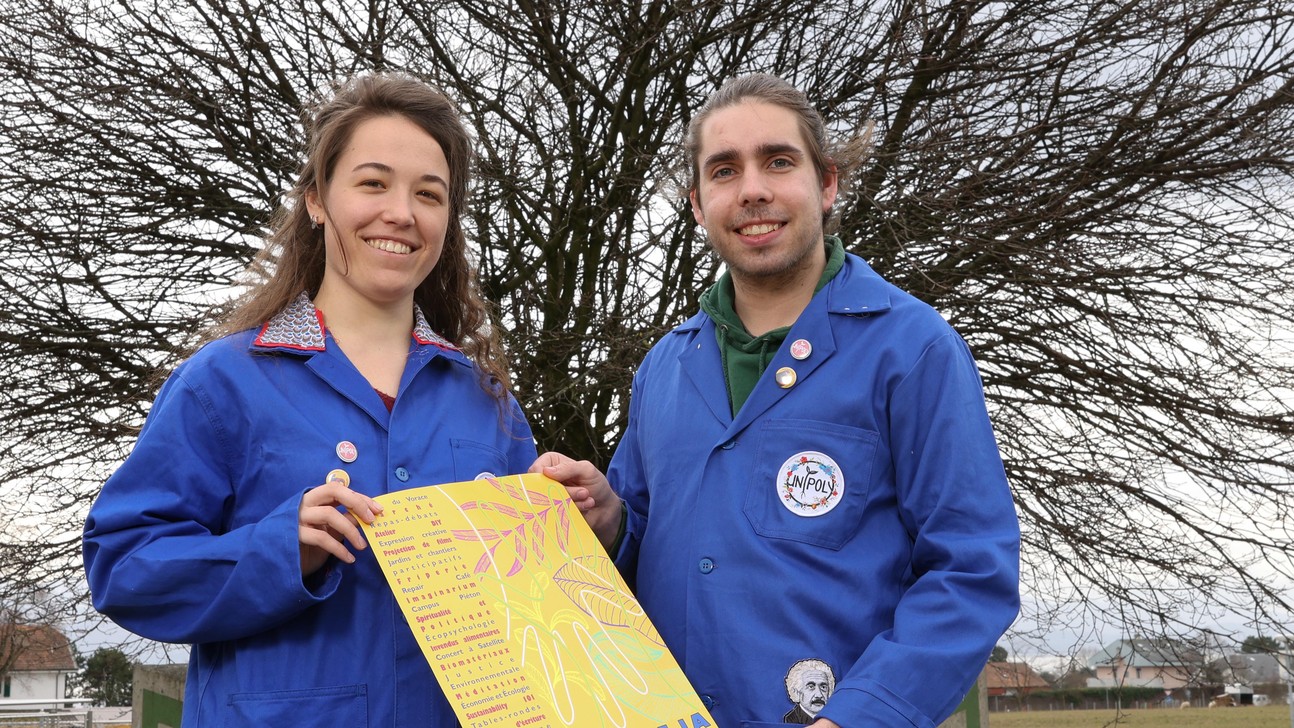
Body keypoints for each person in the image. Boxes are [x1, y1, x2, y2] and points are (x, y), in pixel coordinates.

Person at [533, 73, 1020, 728]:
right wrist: (610, 517)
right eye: (725, 170)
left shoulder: (914, 351)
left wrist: (862, 715)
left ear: (826, 184)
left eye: (778, 161)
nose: (753, 189)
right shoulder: (665, 368)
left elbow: (970, 571)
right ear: (698, 206)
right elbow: (647, 547)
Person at [83, 73, 537, 726]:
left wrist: (584, 524)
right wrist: (278, 551)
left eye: (428, 195)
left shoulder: (487, 404)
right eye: (373, 183)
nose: (402, 214)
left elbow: (538, 614)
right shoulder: (224, 382)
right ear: (317, 200)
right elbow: (123, 567)